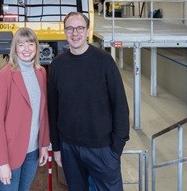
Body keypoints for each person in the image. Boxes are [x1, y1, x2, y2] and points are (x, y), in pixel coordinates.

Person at [48, 12, 130, 190]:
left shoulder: (104, 61)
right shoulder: (57, 65)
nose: (75, 33)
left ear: (87, 31)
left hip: (102, 148)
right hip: (69, 148)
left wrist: (117, 148)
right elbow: (53, 109)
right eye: (70, 28)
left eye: (79, 28)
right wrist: (57, 147)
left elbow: (120, 105)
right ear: (64, 32)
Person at [0, 27, 50, 190]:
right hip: (9, 153)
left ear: (36, 47)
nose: (27, 49)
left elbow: (43, 112)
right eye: (21, 45)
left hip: (32, 152)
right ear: (15, 48)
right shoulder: (4, 76)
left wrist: (44, 144)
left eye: (30, 44)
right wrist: (2, 162)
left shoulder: (41, 72)